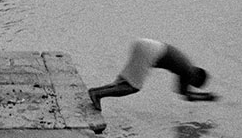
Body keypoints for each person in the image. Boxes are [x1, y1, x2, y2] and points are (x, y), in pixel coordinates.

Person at [88, 38, 217, 111]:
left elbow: (183, 93)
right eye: (195, 84)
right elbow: (184, 94)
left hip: (145, 44)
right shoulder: (188, 72)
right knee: (133, 87)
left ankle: (96, 92)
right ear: (196, 76)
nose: (191, 84)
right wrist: (205, 98)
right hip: (150, 52)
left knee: (125, 81)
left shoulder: (187, 66)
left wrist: (204, 96)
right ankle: (97, 94)